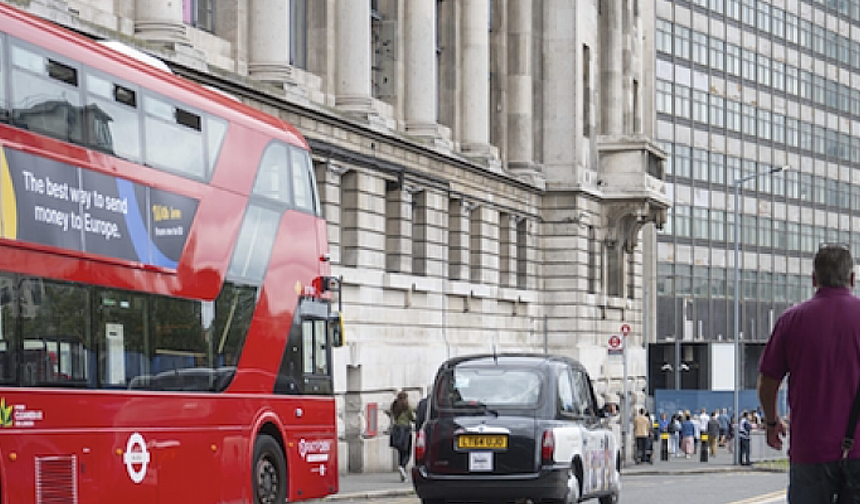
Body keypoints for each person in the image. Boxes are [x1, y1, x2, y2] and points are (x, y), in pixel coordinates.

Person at [758, 243, 860, 502]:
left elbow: (768, 382)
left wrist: (772, 422)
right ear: (852, 278)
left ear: (814, 279)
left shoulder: (791, 320)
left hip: (810, 452)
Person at [388, 390, 416, 481]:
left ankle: (401, 468)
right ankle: (402, 466)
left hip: (396, 429)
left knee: (401, 451)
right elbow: (413, 419)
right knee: (407, 452)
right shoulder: (407, 407)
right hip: (405, 430)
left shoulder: (394, 406)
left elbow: (391, 415)